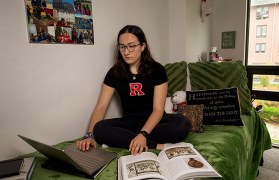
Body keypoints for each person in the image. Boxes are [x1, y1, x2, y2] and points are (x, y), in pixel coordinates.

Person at [76, 25, 192, 155]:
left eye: (132, 46)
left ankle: (130, 140)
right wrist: (89, 136)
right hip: (129, 123)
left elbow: (158, 110)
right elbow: (101, 107)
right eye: (122, 46)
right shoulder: (114, 73)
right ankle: (156, 145)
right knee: (100, 129)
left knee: (183, 124)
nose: (126, 52)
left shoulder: (157, 70)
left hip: (155, 122)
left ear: (143, 46)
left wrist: (143, 134)